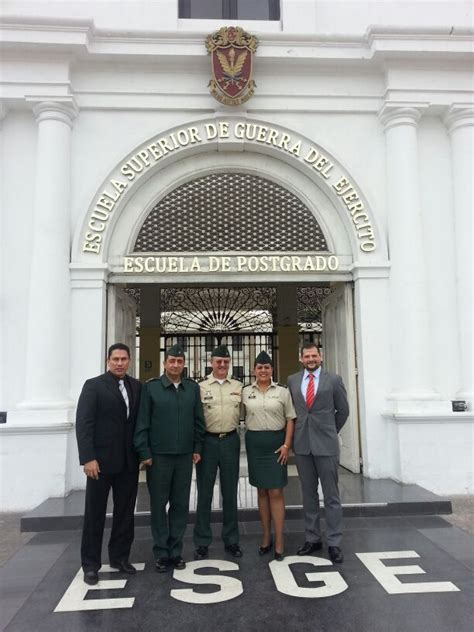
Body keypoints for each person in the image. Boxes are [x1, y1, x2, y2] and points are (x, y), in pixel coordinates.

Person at [134, 344, 206, 572]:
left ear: (184, 364)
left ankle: (175, 551)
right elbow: (142, 422)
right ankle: (161, 552)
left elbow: (198, 421)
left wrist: (197, 447)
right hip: (158, 457)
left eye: (180, 361)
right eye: (172, 361)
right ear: (165, 363)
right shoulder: (152, 388)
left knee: (180, 504)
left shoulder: (191, 389)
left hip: (184, 456)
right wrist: (144, 452)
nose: (176, 365)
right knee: (158, 505)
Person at [76, 342, 142, 586]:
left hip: (128, 463)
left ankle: (120, 558)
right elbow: (84, 424)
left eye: (124, 359)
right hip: (99, 464)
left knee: (125, 514)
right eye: (115, 359)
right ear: (108, 361)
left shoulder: (137, 386)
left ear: (129, 360)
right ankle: (91, 565)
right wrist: (88, 458)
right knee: (95, 515)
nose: (120, 363)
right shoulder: (93, 386)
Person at [287, 342, 349, 564]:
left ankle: (334, 542)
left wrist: (330, 430)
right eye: (307, 356)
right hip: (303, 445)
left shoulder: (333, 380)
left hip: (326, 445)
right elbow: (292, 411)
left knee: (331, 495)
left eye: (314, 355)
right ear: (301, 358)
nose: (311, 359)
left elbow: (343, 410)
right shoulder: (293, 380)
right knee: (308, 494)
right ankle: (312, 538)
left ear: (320, 357)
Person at [242, 351, 296, 561]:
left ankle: (280, 539)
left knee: (275, 491)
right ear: (253, 370)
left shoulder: (282, 392)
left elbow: (291, 418)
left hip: (276, 445)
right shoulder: (245, 391)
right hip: (255, 444)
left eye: (267, 367)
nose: (263, 370)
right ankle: (266, 537)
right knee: (262, 491)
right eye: (259, 367)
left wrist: (286, 445)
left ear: (272, 369)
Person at [193, 345, 243, 560]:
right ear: (211, 362)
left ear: (229, 362)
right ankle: (202, 541)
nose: (222, 365)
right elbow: (195, 419)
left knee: (230, 492)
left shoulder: (239, 386)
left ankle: (231, 540)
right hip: (207, 442)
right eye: (218, 361)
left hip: (230, 440)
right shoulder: (200, 387)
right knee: (204, 493)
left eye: (225, 361)